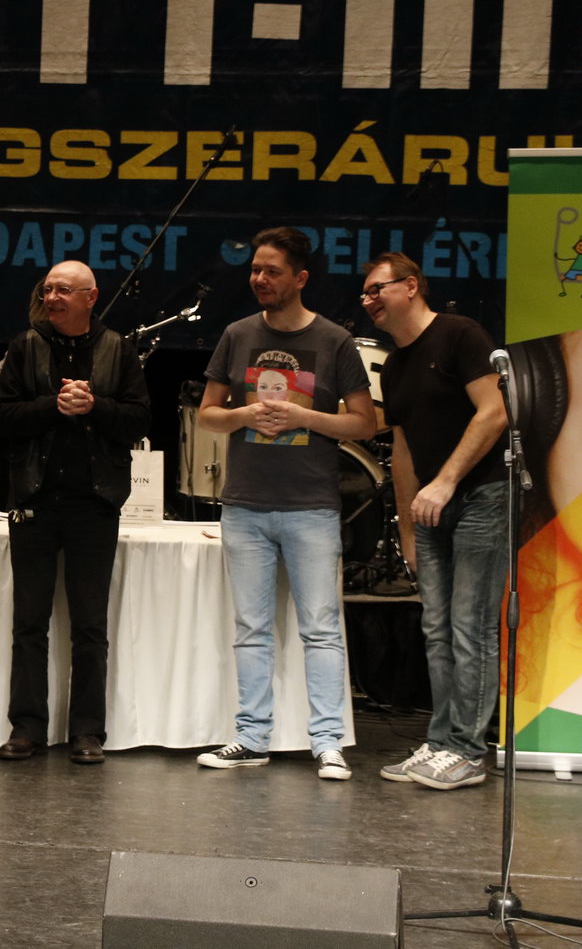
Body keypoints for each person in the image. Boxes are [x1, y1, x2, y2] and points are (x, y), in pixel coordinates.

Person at [195, 226, 375, 781]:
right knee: (251, 627)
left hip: (311, 505)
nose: (259, 279)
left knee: (320, 627)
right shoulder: (237, 334)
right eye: (255, 269)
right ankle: (252, 738)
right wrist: (244, 415)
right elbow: (207, 415)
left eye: (271, 271)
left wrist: (304, 417)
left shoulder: (334, 341)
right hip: (245, 503)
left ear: (300, 278)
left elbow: (364, 423)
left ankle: (328, 742)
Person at [0, 260, 149, 766]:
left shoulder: (118, 348)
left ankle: (87, 731)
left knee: (90, 627)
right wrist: (53, 405)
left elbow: (139, 420)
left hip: (93, 504)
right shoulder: (25, 345)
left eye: (63, 290)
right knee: (29, 623)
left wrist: (94, 405)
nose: (52, 298)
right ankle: (26, 727)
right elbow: (2, 416)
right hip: (34, 500)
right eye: (48, 289)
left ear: (90, 297)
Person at [362, 252, 507, 789]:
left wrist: (446, 481)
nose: (368, 301)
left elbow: (495, 411)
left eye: (377, 289)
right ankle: (442, 741)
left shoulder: (460, 335)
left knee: (471, 627)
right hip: (429, 512)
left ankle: (467, 750)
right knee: (436, 629)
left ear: (411, 286)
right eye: (364, 294)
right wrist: (407, 529)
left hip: (481, 498)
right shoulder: (396, 364)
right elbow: (401, 450)